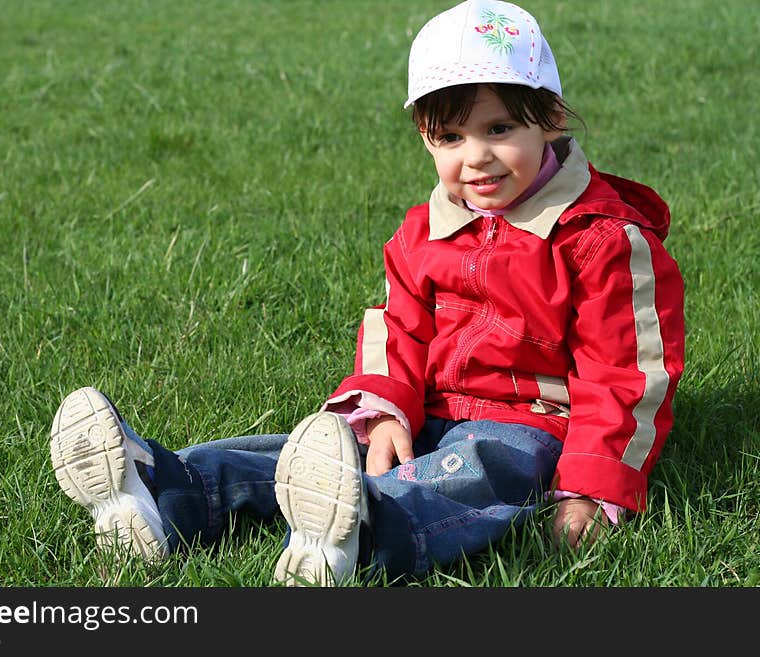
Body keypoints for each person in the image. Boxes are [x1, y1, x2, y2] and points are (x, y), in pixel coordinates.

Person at [50, 0, 684, 586]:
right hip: (426, 409)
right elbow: (396, 332)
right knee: (308, 450)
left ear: (548, 118)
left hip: (534, 425)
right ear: (425, 138)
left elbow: (627, 373)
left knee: (474, 471)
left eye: (499, 128)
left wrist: (593, 488)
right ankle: (166, 490)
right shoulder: (423, 231)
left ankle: (359, 531)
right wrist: (385, 414)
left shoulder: (600, 239)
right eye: (451, 138)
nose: (477, 158)